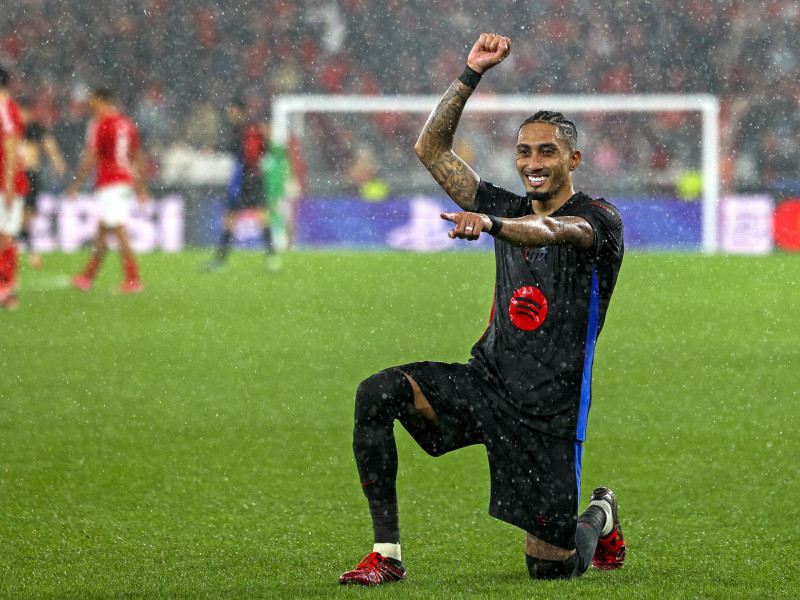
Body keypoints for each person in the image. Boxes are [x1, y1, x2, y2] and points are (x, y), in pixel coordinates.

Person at [339, 33, 626, 585]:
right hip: (488, 384)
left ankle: (601, 513)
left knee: (551, 568)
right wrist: (470, 73)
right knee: (377, 392)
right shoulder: (509, 202)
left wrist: (492, 224)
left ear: (574, 158)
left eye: (547, 151)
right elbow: (431, 151)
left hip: (550, 412)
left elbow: (550, 228)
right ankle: (388, 554)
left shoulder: (601, 219)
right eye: (524, 151)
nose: (533, 162)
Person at [67, 87, 147, 294]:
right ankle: (87, 277)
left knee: (118, 230)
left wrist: (75, 184)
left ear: (101, 100)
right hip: (124, 180)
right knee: (103, 231)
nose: (89, 105)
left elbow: (91, 156)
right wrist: (140, 186)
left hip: (110, 182)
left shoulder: (99, 124)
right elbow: (137, 156)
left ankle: (133, 278)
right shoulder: (127, 124)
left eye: (92, 101)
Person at [204, 98, 279, 272]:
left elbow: (237, 151)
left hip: (243, 178)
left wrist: (215, 148)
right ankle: (272, 258)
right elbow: (265, 149)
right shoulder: (254, 127)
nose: (230, 113)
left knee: (231, 217)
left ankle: (220, 260)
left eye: (232, 109)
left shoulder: (242, 129)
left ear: (239, 110)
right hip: (255, 176)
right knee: (260, 216)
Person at [19, 104, 67, 268]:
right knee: (19, 219)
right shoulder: (11, 129)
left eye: (23, 111)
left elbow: (49, 145)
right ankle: (31, 253)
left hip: (30, 177)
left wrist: (57, 161)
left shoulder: (34, 129)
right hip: (16, 176)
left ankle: (29, 251)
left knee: (26, 218)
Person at [0, 66, 30, 310]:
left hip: (5, 183)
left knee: (5, 235)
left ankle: (7, 288)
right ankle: (7, 287)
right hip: (7, 181)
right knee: (5, 234)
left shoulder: (5, 108)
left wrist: (8, 183)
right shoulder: (9, 108)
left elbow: (10, 146)